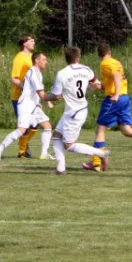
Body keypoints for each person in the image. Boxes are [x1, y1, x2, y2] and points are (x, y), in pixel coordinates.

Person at [81, 43, 132, 172]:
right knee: (127, 131)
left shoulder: (105, 64)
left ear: (99, 54)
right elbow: (110, 81)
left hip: (114, 99)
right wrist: (93, 88)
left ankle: (96, 162)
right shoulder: (116, 62)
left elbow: (116, 77)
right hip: (124, 98)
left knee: (100, 130)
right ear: (110, 51)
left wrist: (116, 94)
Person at [45, 47, 109, 175]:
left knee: (69, 145)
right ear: (78, 58)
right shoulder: (86, 70)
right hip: (78, 109)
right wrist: (88, 88)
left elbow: (56, 95)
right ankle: (60, 168)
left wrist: (43, 97)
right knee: (57, 136)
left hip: (74, 113)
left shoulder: (62, 73)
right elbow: (98, 85)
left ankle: (101, 153)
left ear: (66, 59)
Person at [0, 52, 55, 161]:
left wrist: (39, 102)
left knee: (47, 126)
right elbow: (41, 94)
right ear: (36, 60)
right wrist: (54, 97)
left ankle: (44, 154)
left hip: (33, 106)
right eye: (44, 59)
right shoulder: (33, 72)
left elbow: (36, 92)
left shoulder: (38, 73)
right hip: (26, 106)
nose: (46, 62)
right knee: (21, 130)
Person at [10, 35, 52, 158]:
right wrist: (26, 88)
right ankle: (22, 151)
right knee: (25, 126)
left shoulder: (31, 57)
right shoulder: (19, 58)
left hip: (32, 98)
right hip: (20, 97)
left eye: (34, 40)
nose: (34, 42)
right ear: (24, 43)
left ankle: (24, 146)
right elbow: (14, 78)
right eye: (31, 40)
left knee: (35, 125)